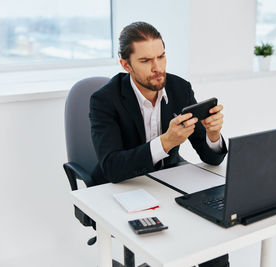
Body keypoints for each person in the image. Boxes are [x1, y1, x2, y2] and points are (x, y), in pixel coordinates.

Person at [89, 21, 229, 267]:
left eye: (161, 57)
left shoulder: (179, 88)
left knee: (214, 236)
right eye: (145, 61)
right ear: (126, 65)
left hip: (168, 181)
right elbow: (112, 167)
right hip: (122, 186)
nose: (157, 68)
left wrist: (213, 136)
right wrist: (164, 143)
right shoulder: (104, 100)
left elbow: (211, 157)